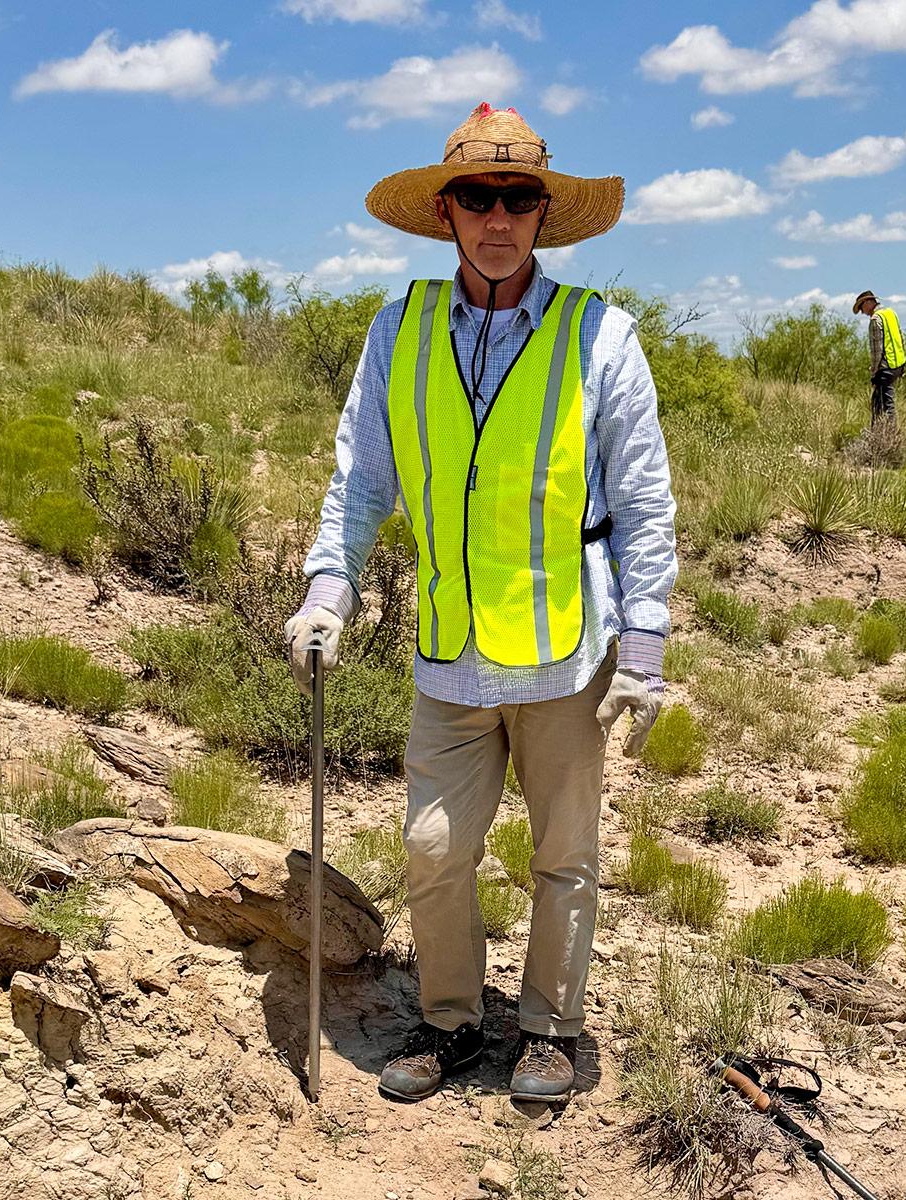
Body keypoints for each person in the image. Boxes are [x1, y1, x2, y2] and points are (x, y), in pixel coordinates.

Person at [282, 102, 678, 1105]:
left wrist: (644, 649)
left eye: (517, 197)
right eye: (476, 196)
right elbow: (360, 481)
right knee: (432, 850)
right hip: (450, 654)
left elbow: (642, 502)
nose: (497, 218)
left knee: (565, 858)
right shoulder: (399, 330)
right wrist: (328, 590)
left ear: (544, 213)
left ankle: (549, 1030)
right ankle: (451, 1021)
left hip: (566, 654)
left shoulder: (602, 336)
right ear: (446, 211)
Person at [853, 289, 906, 423]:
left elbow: (876, 350)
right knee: (884, 403)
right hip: (897, 365)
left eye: (861, 307)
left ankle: (886, 434)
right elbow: (901, 339)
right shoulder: (891, 313)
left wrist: (874, 372)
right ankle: (883, 432)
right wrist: (903, 365)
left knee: (882, 406)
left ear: (868, 302)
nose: (862, 312)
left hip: (885, 367)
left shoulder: (875, 320)